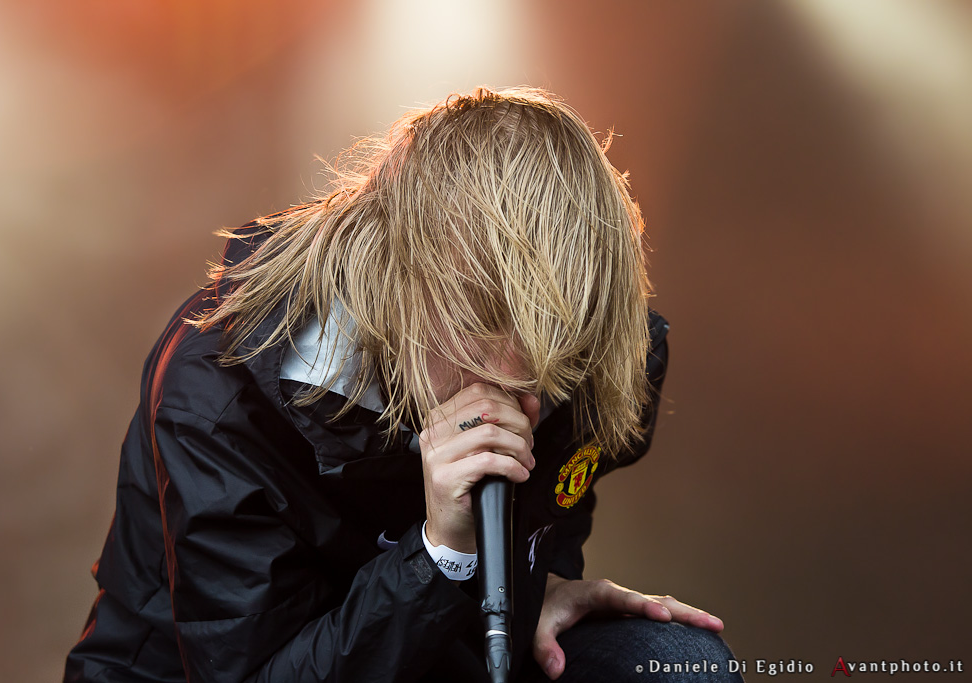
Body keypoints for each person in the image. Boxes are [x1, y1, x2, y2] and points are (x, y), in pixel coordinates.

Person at [64, 86, 742, 682]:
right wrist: (437, 552)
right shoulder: (221, 390)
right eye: (480, 345)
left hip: (446, 631)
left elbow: (570, 470)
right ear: (403, 281)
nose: (513, 403)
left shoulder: (591, 341)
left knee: (683, 667)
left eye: (544, 379)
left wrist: (542, 574)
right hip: (249, 663)